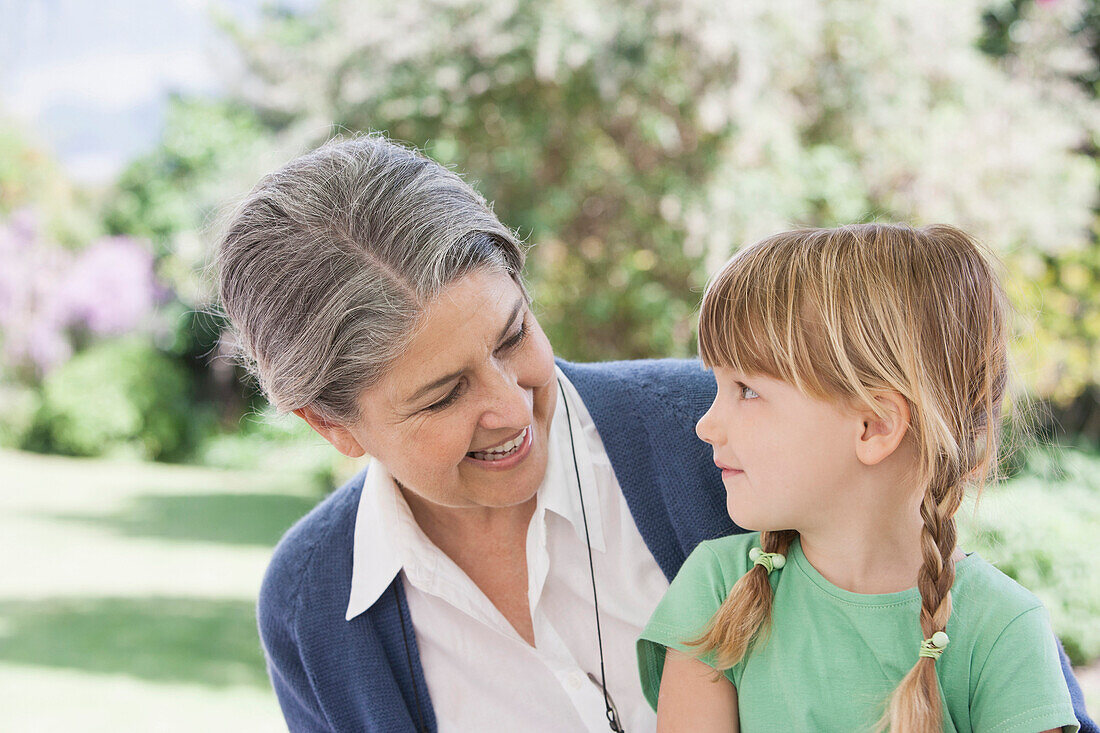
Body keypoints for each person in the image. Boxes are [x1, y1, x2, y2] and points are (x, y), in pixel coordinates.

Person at [215, 135, 1095, 732]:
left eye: (514, 335)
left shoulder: (721, 445)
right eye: (444, 396)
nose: (514, 406)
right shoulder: (315, 604)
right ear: (332, 425)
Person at [637, 224, 1089, 733]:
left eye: (745, 390)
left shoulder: (1003, 629)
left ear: (874, 425)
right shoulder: (716, 592)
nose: (705, 424)